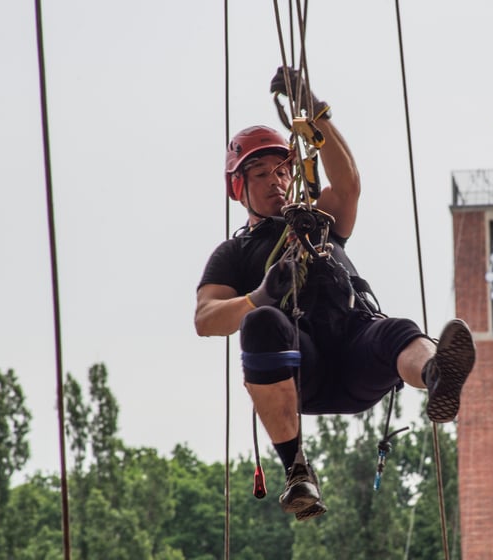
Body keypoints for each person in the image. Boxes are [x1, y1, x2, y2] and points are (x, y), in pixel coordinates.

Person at [194, 67, 476, 521]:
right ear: (239, 187)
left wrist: (314, 111)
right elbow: (206, 319)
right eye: (261, 174)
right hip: (301, 370)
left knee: (396, 329)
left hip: (354, 353)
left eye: (282, 171)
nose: (275, 181)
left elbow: (347, 185)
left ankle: (437, 374)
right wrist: (259, 297)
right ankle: (297, 470)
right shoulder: (235, 253)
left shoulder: (317, 221)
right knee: (262, 323)